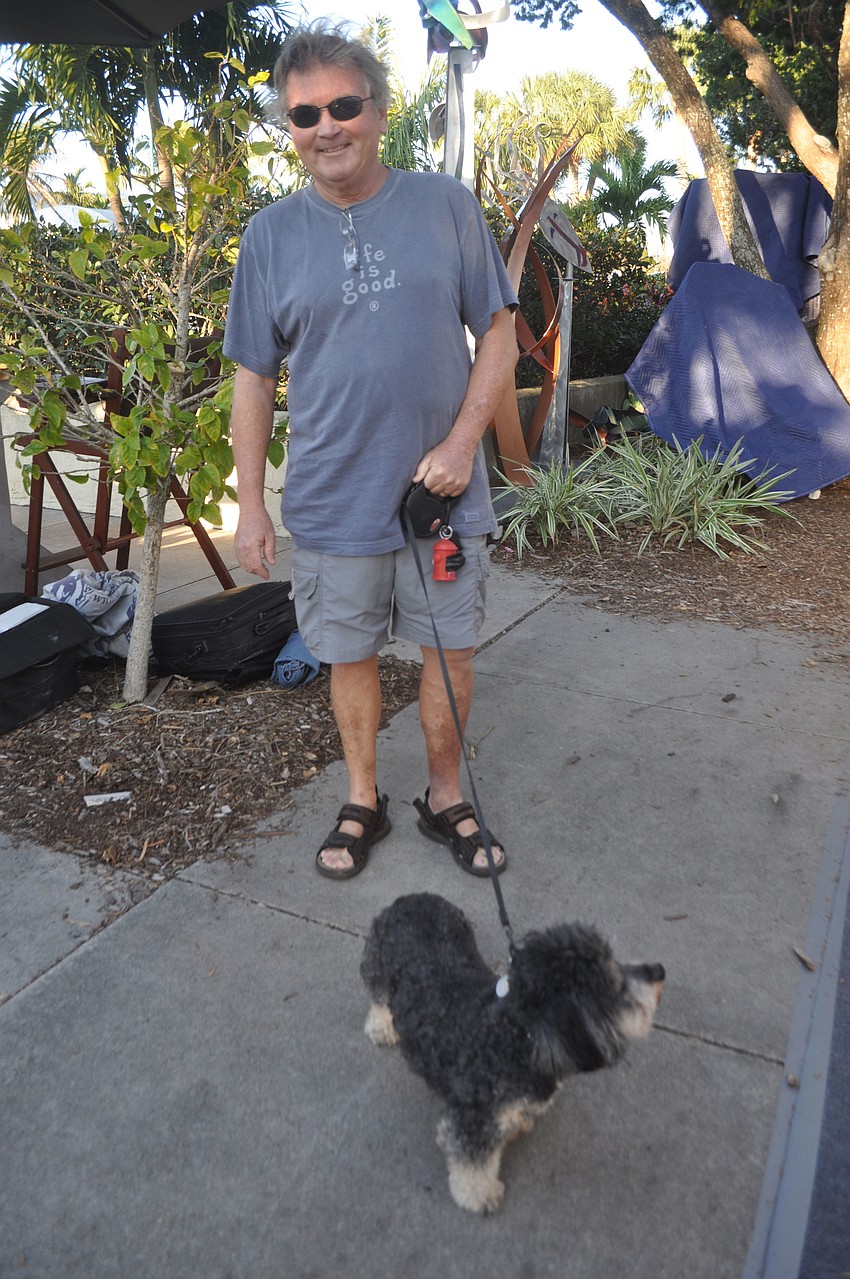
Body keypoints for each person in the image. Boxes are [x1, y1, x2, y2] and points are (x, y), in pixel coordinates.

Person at [224, 21, 519, 880]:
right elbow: (251, 377)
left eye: (343, 106)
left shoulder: (445, 206)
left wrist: (465, 443)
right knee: (346, 657)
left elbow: (498, 333)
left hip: (445, 501)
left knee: (449, 651)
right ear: (290, 127)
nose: (327, 128)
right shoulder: (269, 237)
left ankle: (443, 795)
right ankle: (362, 796)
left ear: (379, 111)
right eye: (305, 114)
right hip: (330, 500)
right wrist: (249, 502)